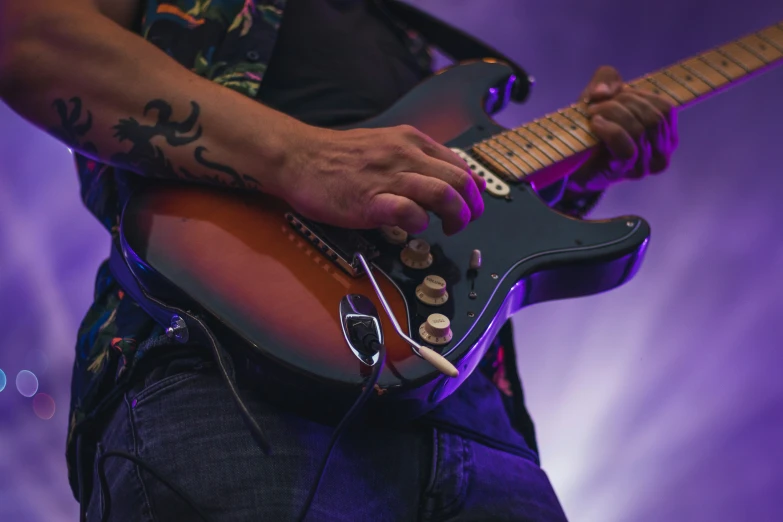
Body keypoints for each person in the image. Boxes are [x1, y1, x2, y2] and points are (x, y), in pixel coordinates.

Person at [0, 0, 678, 520]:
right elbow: (26, 35)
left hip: (464, 402)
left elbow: (453, 217)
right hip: (219, 368)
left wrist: (579, 176)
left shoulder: (407, 36)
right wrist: (301, 156)